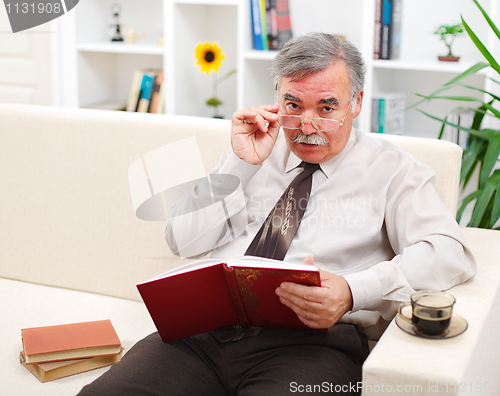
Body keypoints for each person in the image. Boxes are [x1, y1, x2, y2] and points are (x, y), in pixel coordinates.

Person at [79, 32, 476, 396]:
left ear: (356, 102)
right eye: (293, 105)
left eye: (326, 107)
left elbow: (448, 251)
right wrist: (239, 164)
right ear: (276, 98)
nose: (307, 125)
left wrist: (354, 291)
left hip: (313, 346)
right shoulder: (253, 153)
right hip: (201, 335)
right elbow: (181, 240)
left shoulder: (394, 171)